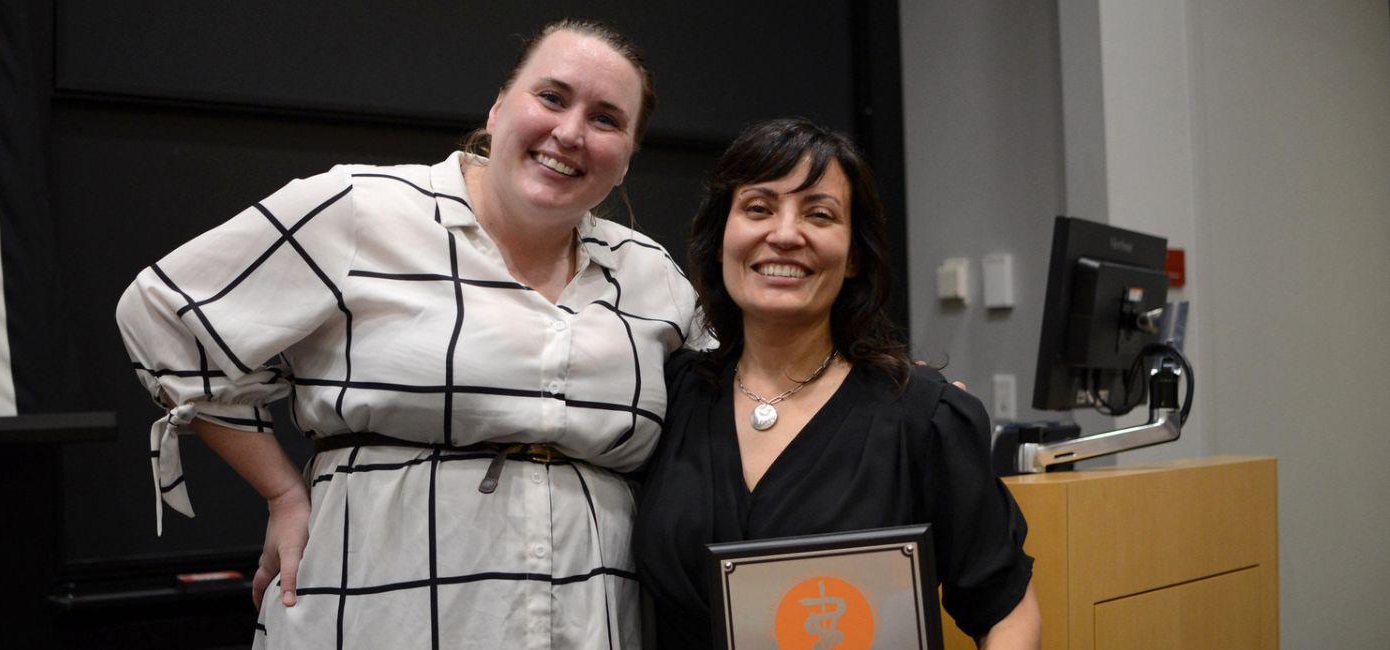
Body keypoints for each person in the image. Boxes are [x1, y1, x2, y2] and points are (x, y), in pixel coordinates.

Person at [117, 19, 704, 648]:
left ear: (627, 159)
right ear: (499, 107)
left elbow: (727, 418)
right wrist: (284, 492)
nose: (570, 132)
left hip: (593, 621)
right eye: (552, 98)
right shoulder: (360, 207)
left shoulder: (653, 278)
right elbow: (163, 314)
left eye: (607, 119)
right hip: (374, 612)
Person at [634, 118, 1041, 648]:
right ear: (720, 240)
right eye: (758, 208)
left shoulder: (923, 416)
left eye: (819, 214)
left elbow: (1006, 613)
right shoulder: (669, 395)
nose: (783, 234)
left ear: (853, 257)